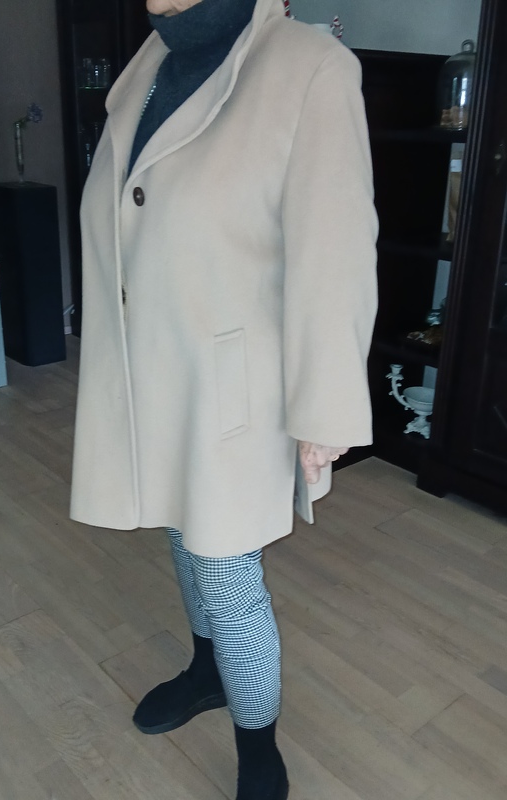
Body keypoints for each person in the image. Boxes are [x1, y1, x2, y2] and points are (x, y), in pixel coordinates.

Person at [70, 0, 378, 797]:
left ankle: (257, 742)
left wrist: (325, 409)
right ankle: (208, 670)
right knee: (184, 534)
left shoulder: (310, 69)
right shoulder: (146, 70)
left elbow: (337, 254)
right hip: (156, 373)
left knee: (228, 573)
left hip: (238, 390)